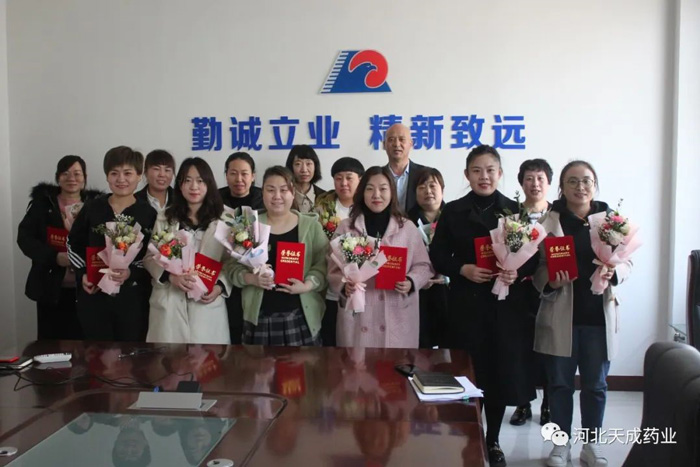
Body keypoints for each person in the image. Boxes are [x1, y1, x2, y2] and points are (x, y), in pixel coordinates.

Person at [429, 145, 537, 467]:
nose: (484, 176)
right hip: (465, 305)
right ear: (467, 174)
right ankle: (468, 435)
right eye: (477, 170)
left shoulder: (513, 210)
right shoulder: (453, 210)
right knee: (467, 373)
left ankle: (493, 440)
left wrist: (517, 271)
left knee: (498, 374)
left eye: (490, 170)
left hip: (503, 307)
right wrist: (462, 269)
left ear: (500, 173)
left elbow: (534, 256)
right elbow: (437, 254)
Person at [534, 161, 632, 467]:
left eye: (586, 181)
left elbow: (627, 261)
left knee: (596, 386)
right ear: (562, 187)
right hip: (561, 316)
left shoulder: (610, 221)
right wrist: (549, 281)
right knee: (559, 385)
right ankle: (560, 445)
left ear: (595, 185)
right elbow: (536, 268)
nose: (580, 187)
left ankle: (592, 444)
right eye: (572, 181)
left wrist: (616, 272)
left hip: (598, 318)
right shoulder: (548, 222)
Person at [328, 166, 433, 348]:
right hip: (359, 317)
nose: (376, 195)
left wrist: (411, 281)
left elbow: (424, 265)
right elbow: (333, 269)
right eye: (370, 189)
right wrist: (345, 286)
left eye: (383, 189)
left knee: (396, 365)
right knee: (357, 365)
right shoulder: (347, 227)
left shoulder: (406, 228)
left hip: (396, 315)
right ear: (362, 192)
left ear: (392, 192)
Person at [223, 166, 328, 345]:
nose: (277, 196)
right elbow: (231, 267)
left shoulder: (310, 225)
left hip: (301, 316)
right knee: (257, 364)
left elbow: (324, 264)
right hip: (259, 317)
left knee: (303, 364)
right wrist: (251, 279)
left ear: (293, 193)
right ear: (262, 193)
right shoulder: (249, 225)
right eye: (270, 190)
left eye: (283, 190)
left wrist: (307, 285)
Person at [67, 146, 157, 341]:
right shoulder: (93, 207)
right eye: (114, 173)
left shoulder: (148, 214)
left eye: (128, 173)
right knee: (96, 354)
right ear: (107, 176)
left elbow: (152, 256)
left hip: (133, 300)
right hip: (94, 296)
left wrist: (131, 272)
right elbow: (73, 244)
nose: (121, 179)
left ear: (139, 176)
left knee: (132, 354)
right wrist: (84, 273)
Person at [144, 157, 231, 344]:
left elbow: (232, 261)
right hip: (170, 303)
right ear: (180, 185)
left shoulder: (226, 218)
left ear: (209, 184)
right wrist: (170, 277)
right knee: (169, 360)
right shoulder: (165, 217)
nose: (194, 187)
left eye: (200, 181)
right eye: (187, 180)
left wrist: (220, 286)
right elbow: (150, 257)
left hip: (207, 306)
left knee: (207, 360)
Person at [17, 155, 102, 340]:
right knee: (50, 342)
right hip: (50, 288)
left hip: (87, 288)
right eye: (65, 173)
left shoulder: (97, 206)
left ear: (85, 177)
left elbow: (104, 242)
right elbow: (25, 239)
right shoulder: (43, 205)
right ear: (57, 177)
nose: (72, 178)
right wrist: (54, 257)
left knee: (85, 346)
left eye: (77, 173)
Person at [510, 158, 554, 427]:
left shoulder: (558, 215)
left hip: (551, 291)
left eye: (540, 179)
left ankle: (548, 403)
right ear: (521, 183)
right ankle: (522, 403)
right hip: (519, 291)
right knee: (520, 348)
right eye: (529, 178)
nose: (535, 184)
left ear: (549, 183)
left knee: (550, 349)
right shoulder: (512, 216)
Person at [314, 157, 365, 346]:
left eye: (349, 178)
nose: (343, 183)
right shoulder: (321, 208)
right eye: (338, 178)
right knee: (331, 341)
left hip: (359, 290)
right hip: (328, 287)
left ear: (360, 180)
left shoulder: (367, 209)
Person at [218, 151, 264, 344]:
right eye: (233, 173)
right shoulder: (215, 200)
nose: (239, 179)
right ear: (226, 175)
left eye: (244, 174)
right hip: (223, 273)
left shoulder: (264, 199)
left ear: (253, 176)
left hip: (255, 276)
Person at [407, 167, 449, 348]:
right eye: (421, 187)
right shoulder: (405, 220)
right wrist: (418, 278)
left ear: (442, 189)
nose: (428, 191)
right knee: (421, 345)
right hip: (418, 293)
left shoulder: (455, 216)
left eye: (432, 186)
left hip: (449, 292)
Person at [382, 123, 426, 214]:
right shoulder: (377, 176)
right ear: (384, 144)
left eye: (402, 139)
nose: (396, 144)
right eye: (391, 139)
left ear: (411, 144)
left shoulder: (424, 174)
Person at [135, 149, 175, 221]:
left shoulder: (181, 200)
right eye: (156, 169)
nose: (162, 174)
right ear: (146, 172)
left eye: (167, 170)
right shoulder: (135, 201)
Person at [285, 145, 325, 213]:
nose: (304, 170)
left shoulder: (325, 196)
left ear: (315, 166)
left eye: (308, 164)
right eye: (298, 164)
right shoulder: (283, 195)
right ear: (291, 167)